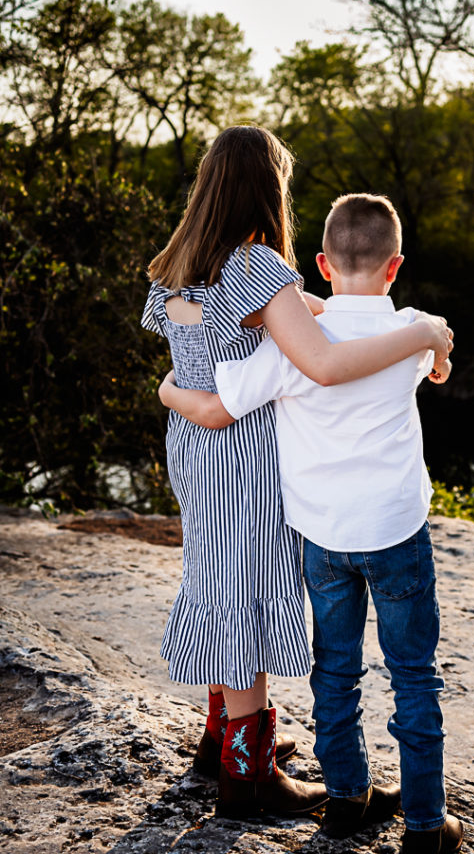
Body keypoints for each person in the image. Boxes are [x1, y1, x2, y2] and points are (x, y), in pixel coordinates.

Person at [142, 128, 453, 822]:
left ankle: (223, 734)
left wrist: (167, 392)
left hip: (192, 447)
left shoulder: (182, 262)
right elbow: (324, 364)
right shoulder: (257, 267)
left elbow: (271, 326)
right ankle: (247, 775)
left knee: (216, 578)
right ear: (264, 188)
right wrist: (423, 330)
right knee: (244, 590)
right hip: (240, 451)